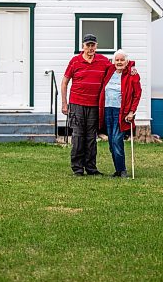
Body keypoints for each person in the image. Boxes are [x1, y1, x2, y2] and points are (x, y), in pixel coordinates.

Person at [61, 34, 111, 176]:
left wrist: (131, 69)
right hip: (77, 105)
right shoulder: (75, 61)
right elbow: (64, 82)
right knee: (78, 135)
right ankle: (77, 168)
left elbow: (117, 69)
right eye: (87, 45)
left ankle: (91, 168)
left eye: (92, 45)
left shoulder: (103, 61)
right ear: (83, 46)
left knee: (91, 137)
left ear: (96, 46)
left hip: (94, 106)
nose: (90, 48)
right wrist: (65, 104)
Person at [99, 49, 142, 178]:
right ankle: (118, 170)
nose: (119, 62)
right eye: (117, 60)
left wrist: (131, 111)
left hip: (121, 112)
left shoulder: (132, 74)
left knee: (117, 140)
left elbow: (137, 94)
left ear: (126, 61)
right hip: (107, 110)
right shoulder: (110, 71)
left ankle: (122, 170)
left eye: (122, 60)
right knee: (112, 141)